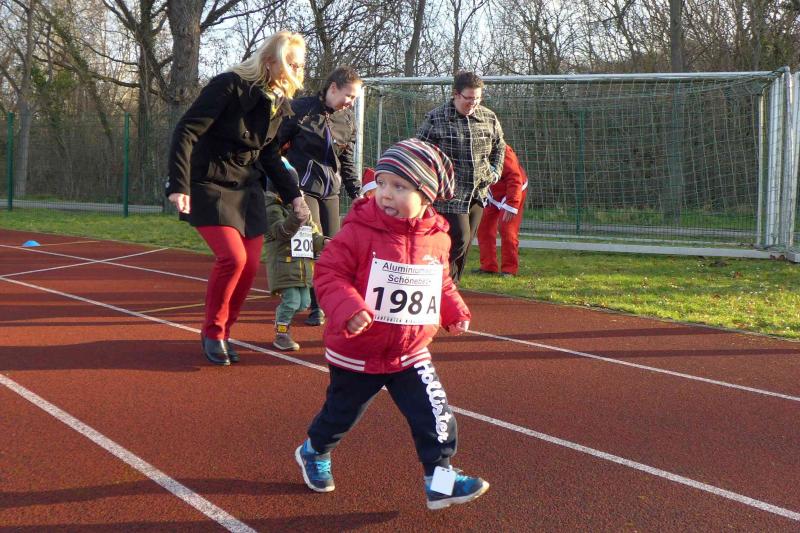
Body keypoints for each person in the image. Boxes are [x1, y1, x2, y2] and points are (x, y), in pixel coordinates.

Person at [294, 139, 490, 511]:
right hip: (358, 349)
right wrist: (349, 308)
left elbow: (440, 282)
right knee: (340, 415)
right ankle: (314, 450)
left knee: (436, 417)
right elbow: (330, 274)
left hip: (410, 351)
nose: (386, 193)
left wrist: (454, 310)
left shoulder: (438, 238)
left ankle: (440, 482)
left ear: (427, 195)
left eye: (400, 187)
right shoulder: (357, 230)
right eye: (382, 182)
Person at [166, 31, 310, 366]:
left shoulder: (278, 102)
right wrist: (179, 184)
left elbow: (269, 155)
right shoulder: (228, 85)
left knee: (249, 267)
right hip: (209, 182)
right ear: (270, 61)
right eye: (291, 64)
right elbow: (186, 130)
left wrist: (294, 196)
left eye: (300, 65)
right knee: (233, 258)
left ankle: (225, 332)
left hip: (247, 189)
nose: (297, 72)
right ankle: (213, 332)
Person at [278, 66, 363, 327]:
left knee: (332, 248)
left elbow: (346, 160)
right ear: (333, 88)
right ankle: (316, 306)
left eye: (355, 98)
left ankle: (326, 298)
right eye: (349, 96)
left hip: (331, 191)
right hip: (302, 189)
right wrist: (282, 184)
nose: (351, 102)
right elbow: (274, 149)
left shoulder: (347, 119)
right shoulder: (299, 109)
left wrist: (356, 192)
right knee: (313, 246)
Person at [417, 71, 506, 284]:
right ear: (456, 94)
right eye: (469, 98)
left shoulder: (488, 117)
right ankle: (433, 281)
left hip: (477, 192)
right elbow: (420, 152)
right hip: (449, 194)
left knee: (465, 246)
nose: (473, 103)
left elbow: (499, 146)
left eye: (478, 98)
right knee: (459, 238)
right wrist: (433, 182)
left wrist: (495, 171)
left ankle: (451, 287)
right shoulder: (436, 118)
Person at [264, 173, 327, 351]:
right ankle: (282, 334)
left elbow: (313, 235)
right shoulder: (271, 209)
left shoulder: (302, 208)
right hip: (284, 265)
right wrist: (296, 216)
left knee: (303, 303)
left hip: (303, 268)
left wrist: (325, 242)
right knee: (291, 301)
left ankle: (282, 320)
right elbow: (281, 232)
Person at [476, 144, 529, 276]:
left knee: (507, 228)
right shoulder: (474, 147)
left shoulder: (504, 151)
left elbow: (514, 178)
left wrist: (512, 204)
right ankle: (488, 266)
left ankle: (509, 269)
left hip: (513, 191)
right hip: (492, 191)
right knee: (484, 227)